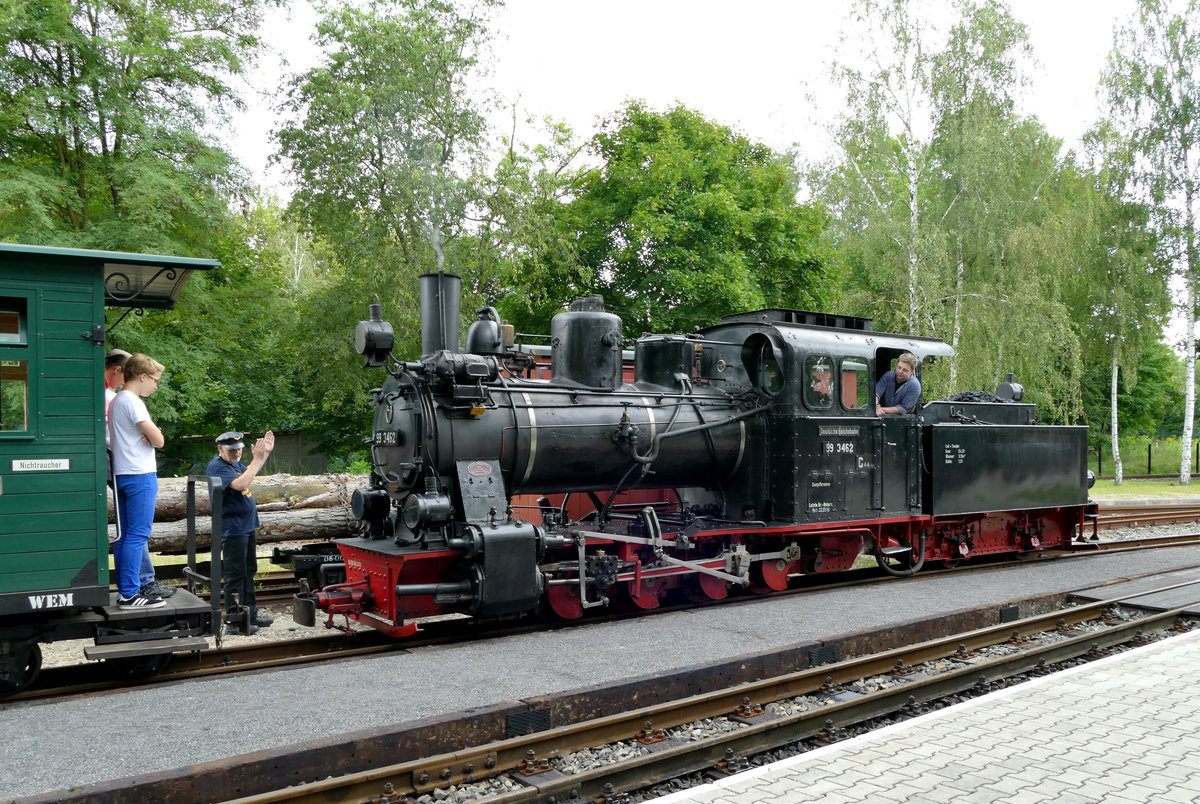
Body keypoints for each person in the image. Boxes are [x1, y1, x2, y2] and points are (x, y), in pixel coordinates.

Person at [104, 349, 174, 600]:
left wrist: (151, 433)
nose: (156, 386)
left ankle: (127, 590)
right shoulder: (133, 402)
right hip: (139, 475)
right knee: (138, 535)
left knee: (125, 535)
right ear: (142, 376)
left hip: (122, 474)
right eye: (155, 380)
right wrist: (155, 433)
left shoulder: (117, 400)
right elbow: (159, 440)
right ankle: (130, 594)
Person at [207, 430, 276, 635]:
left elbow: (248, 474)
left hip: (245, 525)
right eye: (232, 450)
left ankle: (250, 615)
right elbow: (241, 483)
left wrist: (262, 457)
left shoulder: (233, 464)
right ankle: (235, 621)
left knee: (249, 572)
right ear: (220, 448)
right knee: (235, 576)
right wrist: (258, 458)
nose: (237, 453)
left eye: (239, 449)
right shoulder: (217, 466)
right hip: (233, 529)